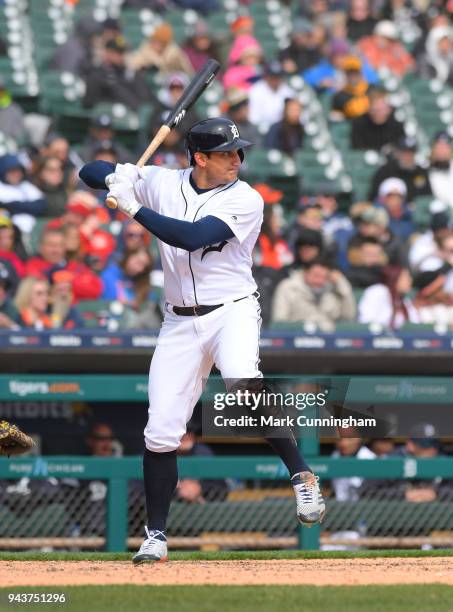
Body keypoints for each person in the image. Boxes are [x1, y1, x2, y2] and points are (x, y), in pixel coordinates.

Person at [79, 116, 326, 564]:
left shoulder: (246, 198)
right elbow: (87, 172)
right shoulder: (163, 182)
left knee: (242, 382)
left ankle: (302, 476)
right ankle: (155, 536)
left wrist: (131, 206)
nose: (236, 159)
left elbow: (191, 238)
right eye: (227, 152)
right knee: (160, 432)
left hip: (231, 310)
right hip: (177, 322)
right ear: (200, 158)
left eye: (238, 151)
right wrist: (119, 175)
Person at [271, 256, 356, 331]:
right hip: (296, 338)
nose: (319, 281)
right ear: (305, 273)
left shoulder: (333, 288)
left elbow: (349, 317)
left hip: (329, 340)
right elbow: (279, 322)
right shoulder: (288, 287)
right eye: (316, 276)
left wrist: (342, 284)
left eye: (324, 277)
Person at [84, 36, 151, 111]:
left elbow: (142, 98)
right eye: (118, 52)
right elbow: (88, 103)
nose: (121, 56)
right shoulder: (97, 74)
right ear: (107, 52)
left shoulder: (124, 72)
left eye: (122, 52)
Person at [368, 136, 432, 203]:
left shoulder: (421, 173)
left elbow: (427, 198)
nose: (407, 157)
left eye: (411, 153)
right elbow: (373, 197)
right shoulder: (385, 171)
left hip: (413, 211)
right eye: (404, 153)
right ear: (398, 153)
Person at [126, 23, 193, 76]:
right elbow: (133, 65)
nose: (153, 43)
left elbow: (188, 71)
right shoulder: (146, 50)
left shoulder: (173, 51)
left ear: (164, 44)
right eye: (153, 40)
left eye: (157, 41)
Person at [248, 62, 294, 129]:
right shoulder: (256, 91)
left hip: (283, 130)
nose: (275, 80)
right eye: (273, 76)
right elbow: (253, 119)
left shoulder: (287, 91)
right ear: (266, 77)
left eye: (278, 77)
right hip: (261, 130)